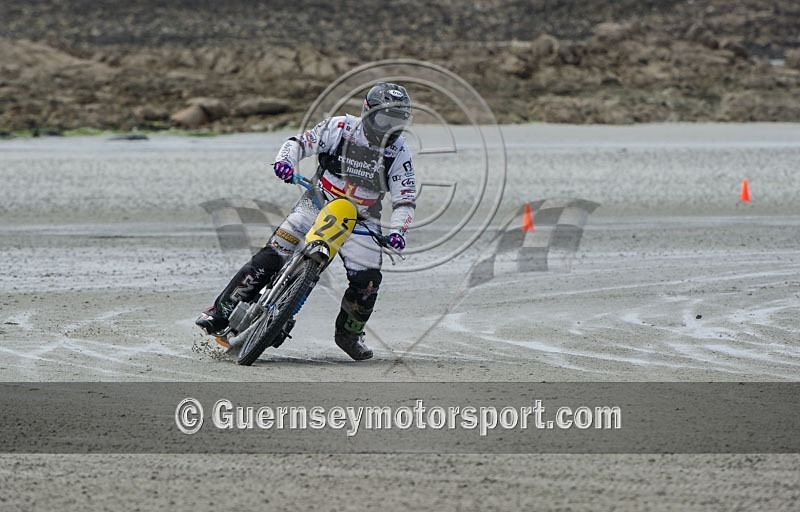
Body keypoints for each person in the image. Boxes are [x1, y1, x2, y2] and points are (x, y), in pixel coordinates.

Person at [196, 82, 417, 360]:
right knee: (271, 256)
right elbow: (299, 143)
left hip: (362, 222)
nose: (389, 128)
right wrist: (284, 162)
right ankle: (220, 311)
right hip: (315, 203)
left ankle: (349, 334)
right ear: (367, 112)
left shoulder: (399, 153)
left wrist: (399, 231)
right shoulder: (340, 128)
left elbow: (405, 197)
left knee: (369, 281)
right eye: (385, 119)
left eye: (397, 122)